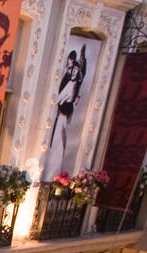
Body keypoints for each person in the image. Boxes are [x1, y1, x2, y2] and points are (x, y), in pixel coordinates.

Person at [44, 45, 88, 180]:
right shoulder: (68, 83)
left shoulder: (75, 85)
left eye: (76, 71)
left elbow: (64, 100)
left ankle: (54, 170)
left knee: (59, 140)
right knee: (57, 140)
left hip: (63, 116)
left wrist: (82, 58)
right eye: (72, 71)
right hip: (60, 115)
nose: (74, 73)